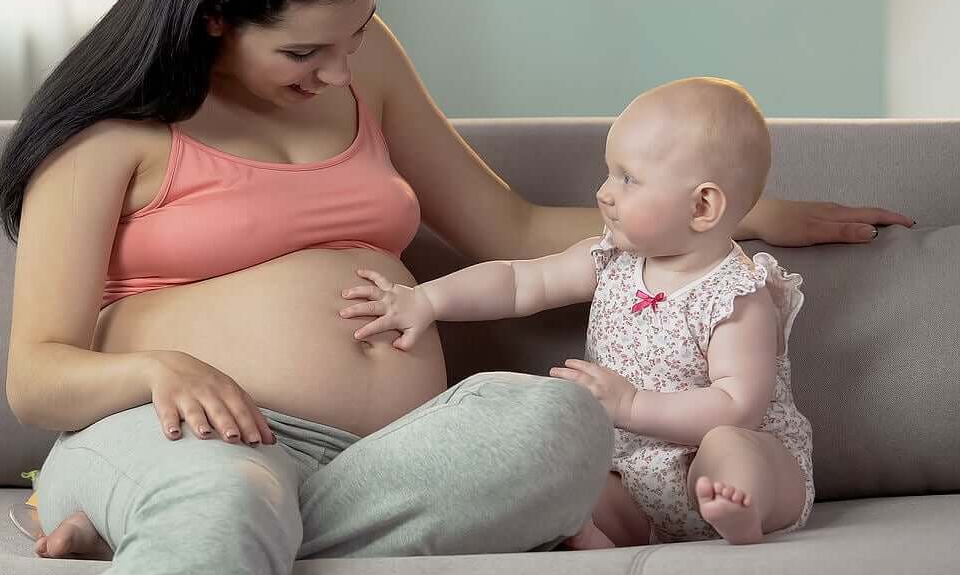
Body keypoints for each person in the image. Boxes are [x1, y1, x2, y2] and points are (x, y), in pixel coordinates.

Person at [0, 0, 910, 575]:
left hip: (383, 458)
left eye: (357, 34)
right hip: (183, 438)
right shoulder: (107, 136)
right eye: (307, 52)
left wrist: (737, 218)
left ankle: (181, 539)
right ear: (217, 17)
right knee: (228, 497)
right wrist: (158, 369)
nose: (342, 72)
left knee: (562, 426)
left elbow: (507, 230)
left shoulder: (365, 61)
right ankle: (193, 521)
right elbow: (37, 376)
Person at [341, 77, 813, 548]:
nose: (604, 193)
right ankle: (584, 530)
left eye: (628, 178)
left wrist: (632, 406)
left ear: (703, 205)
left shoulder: (735, 294)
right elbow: (518, 281)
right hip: (629, 471)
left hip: (716, 457)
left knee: (732, 448)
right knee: (568, 482)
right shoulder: (611, 261)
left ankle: (738, 511)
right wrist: (428, 300)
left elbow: (738, 404)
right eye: (609, 173)